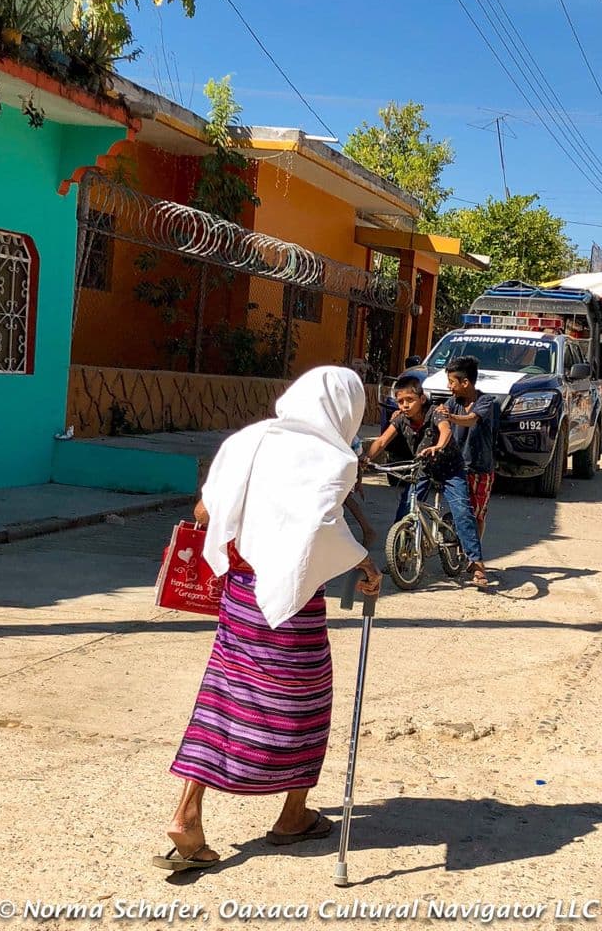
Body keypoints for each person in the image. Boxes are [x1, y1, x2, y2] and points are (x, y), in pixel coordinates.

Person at [154, 367, 381, 872]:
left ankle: (186, 813)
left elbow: (205, 512)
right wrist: (364, 561)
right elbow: (324, 528)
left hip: (238, 595)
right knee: (305, 701)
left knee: (222, 695)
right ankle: (293, 815)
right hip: (291, 604)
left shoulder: (247, 440)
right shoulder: (334, 458)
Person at [364, 376, 488, 589]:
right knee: (405, 508)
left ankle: (476, 563)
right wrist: (366, 460)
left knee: (462, 511)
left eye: (409, 400)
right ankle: (399, 557)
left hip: (450, 468)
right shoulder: (400, 419)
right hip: (423, 467)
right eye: (400, 401)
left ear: (422, 399)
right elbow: (382, 441)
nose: (404, 405)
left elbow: (446, 431)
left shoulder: (436, 412)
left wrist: (438, 446)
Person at [441, 356, 496, 541]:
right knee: (460, 510)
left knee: (477, 515)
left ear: (465, 382)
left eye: (451, 382)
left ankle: (474, 556)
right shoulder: (452, 403)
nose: (449, 387)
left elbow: (472, 419)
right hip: (456, 467)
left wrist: (449, 417)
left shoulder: (486, 401)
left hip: (480, 468)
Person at [344, 435, 376, 548]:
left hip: (345, 471)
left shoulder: (351, 435)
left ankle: (367, 530)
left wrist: (359, 480)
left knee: (345, 498)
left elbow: (360, 458)